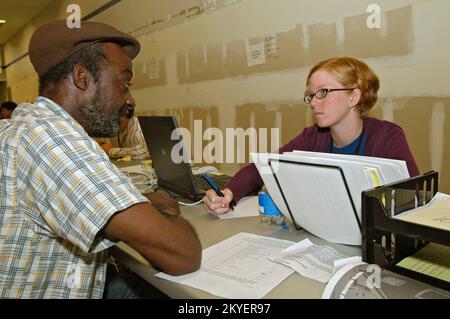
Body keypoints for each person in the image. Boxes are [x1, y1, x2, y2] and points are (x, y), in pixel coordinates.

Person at [0, 20, 201, 298]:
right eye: (124, 84)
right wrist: (159, 208)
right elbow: (184, 254)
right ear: (82, 77)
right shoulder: (55, 142)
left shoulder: (26, 126)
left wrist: (139, 203)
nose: (130, 101)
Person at [203, 56, 419, 215]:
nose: (314, 102)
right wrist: (228, 193)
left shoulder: (387, 137)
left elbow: (415, 197)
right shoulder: (313, 137)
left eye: (323, 92)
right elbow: (264, 167)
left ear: (354, 97)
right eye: (311, 95)